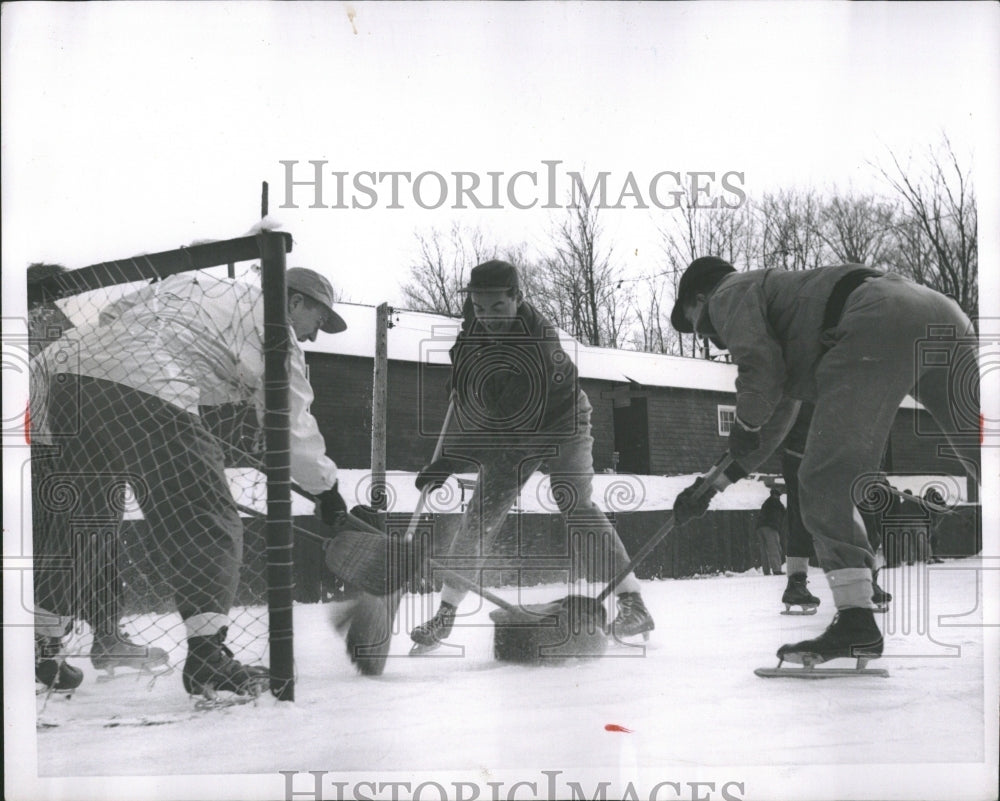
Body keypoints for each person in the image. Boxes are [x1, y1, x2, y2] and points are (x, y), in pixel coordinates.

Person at [30, 266, 350, 699]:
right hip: (147, 379)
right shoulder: (278, 331)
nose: (314, 336)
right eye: (319, 321)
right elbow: (290, 425)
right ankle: (207, 657)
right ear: (294, 302)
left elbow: (117, 315)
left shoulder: (199, 284)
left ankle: (42, 648)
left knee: (83, 523)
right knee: (208, 517)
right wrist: (326, 490)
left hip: (63, 374)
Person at [670, 256, 979, 668]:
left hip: (877, 319)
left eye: (694, 322)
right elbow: (774, 418)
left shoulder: (729, 292)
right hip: (939, 312)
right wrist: (712, 485)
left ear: (701, 296)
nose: (706, 337)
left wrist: (742, 421)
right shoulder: (787, 306)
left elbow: (758, 371)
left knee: (819, 480)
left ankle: (856, 623)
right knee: (982, 449)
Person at [410, 260, 655, 651]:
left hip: (561, 423)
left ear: (518, 299)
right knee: (481, 515)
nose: (487, 317)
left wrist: (450, 462)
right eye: (478, 307)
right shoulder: (476, 323)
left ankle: (634, 603)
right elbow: (467, 370)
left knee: (574, 503)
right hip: (509, 429)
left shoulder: (539, 346)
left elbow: (503, 428)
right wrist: (461, 381)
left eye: (497, 308)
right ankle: (445, 614)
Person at [756, 489, 786, 576]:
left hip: (760, 527)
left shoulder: (766, 503)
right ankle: (776, 570)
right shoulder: (776, 502)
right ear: (777, 495)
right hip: (770, 527)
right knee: (774, 548)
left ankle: (766, 570)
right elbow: (783, 511)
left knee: (764, 550)